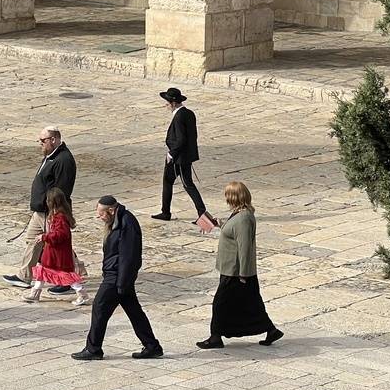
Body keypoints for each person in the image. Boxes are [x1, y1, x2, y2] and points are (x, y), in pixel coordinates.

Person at [71, 196, 163, 361]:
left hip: (118, 276)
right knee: (134, 312)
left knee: (99, 307)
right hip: (117, 276)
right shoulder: (116, 221)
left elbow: (129, 257)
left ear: (111, 210)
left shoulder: (127, 223)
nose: (100, 218)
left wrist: (122, 283)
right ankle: (152, 346)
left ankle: (94, 349)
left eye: (101, 214)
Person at [196, 182, 284, 349]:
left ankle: (215, 337)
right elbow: (233, 232)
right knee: (251, 303)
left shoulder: (243, 218)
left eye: (228, 196)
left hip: (236, 272)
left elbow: (244, 247)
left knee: (220, 303)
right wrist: (219, 224)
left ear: (234, 197)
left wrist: (243, 273)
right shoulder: (240, 214)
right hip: (234, 270)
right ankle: (271, 330)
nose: (226, 199)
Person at [4, 126, 77, 290]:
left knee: (58, 245)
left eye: (43, 141)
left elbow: (61, 190)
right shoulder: (50, 155)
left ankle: (67, 279)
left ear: (54, 139)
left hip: (51, 212)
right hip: (40, 211)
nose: (40, 144)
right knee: (32, 241)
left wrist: (54, 211)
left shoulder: (64, 160)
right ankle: (24, 276)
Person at [152, 88, 211, 224]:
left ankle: (202, 214)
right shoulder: (189, 113)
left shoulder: (179, 117)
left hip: (179, 158)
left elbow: (181, 139)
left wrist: (171, 154)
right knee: (168, 181)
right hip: (184, 156)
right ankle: (165, 211)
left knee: (188, 184)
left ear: (173, 103)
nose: (165, 106)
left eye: (166, 103)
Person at [23, 187, 88, 306]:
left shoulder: (60, 217)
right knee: (41, 270)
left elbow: (61, 234)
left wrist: (44, 237)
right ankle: (35, 294)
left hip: (58, 254)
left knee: (65, 275)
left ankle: (82, 294)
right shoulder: (58, 215)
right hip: (52, 252)